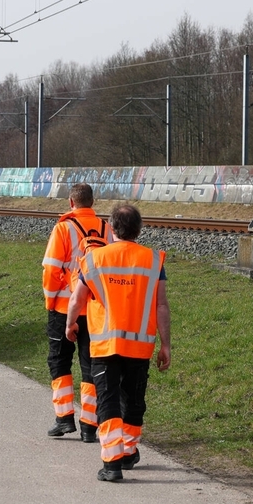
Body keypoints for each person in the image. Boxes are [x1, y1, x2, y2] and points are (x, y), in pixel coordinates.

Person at [65, 204, 171, 482]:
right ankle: (128, 452)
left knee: (108, 399)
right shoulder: (153, 260)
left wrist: (70, 323)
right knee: (134, 399)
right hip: (139, 346)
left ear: (111, 230)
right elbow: (161, 305)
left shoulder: (93, 259)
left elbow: (76, 299)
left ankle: (111, 464)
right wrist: (166, 345)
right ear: (139, 230)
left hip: (104, 344)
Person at [42, 183, 113, 442]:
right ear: (92, 203)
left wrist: (51, 301)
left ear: (71, 203)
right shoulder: (107, 229)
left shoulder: (63, 228)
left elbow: (51, 270)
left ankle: (63, 419)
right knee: (90, 365)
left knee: (59, 361)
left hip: (63, 308)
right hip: (94, 310)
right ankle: (88, 425)